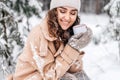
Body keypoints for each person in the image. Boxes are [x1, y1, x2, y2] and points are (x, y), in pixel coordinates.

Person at [7, 0, 92, 80]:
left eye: (72, 13)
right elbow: (50, 76)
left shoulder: (66, 32)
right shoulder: (39, 34)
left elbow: (73, 69)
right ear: (54, 11)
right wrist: (72, 47)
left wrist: (77, 43)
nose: (67, 18)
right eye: (62, 11)